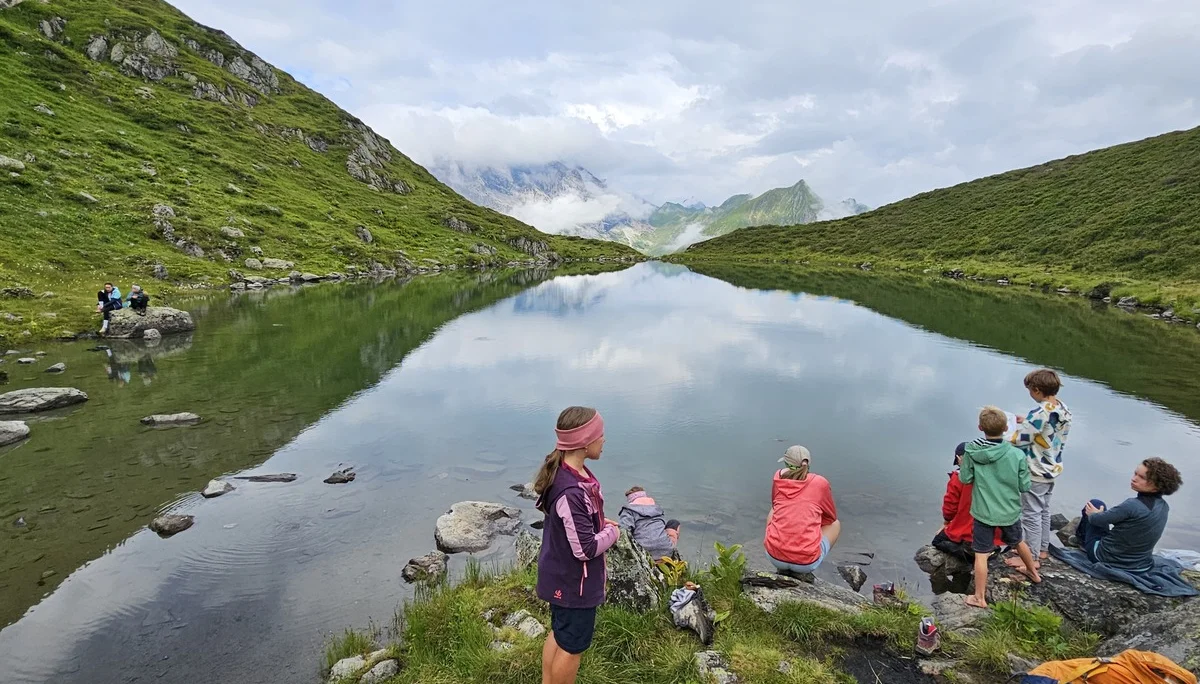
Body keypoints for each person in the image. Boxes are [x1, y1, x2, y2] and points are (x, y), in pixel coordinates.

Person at [534, 406, 619, 684]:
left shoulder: (568, 473)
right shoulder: (570, 491)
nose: (604, 440)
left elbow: (574, 521)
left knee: (560, 634)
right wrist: (611, 532)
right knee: (572, 647)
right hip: (574, 585)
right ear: (584, 442)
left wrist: (596, 520)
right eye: (600, 435)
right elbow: (585, 549)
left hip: (561, 579)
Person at [960, 406, 1041, 608]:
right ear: (1006, 428)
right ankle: (1033, 572)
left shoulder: (972, 451)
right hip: (1010, 511)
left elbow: (965, 478)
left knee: (981, 553)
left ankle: (979, 597)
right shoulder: (1017, 455)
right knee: (1018, 541)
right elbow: (1025, 486)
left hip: (984, 512)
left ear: (980, 427)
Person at [1007, 368, 1072, 570]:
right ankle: (1042, 549)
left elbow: (1021, 440)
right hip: (1052, 468)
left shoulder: (1040, 412)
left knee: (1030, 513)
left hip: (1035, 470)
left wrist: (1002, 433)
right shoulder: (1062, 407)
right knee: (1043, 510)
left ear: (1036, 390)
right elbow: (1044, 429)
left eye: (1029, 390)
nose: (1029, 394)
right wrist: (1024, 422)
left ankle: (1031, 557)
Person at [1076, 458, 1183, 573]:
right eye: (1135, 474)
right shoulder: (1164, 507)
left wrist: (1093, 514)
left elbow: (1097, 520)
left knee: (1096, 503)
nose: (1134, 479)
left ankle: (1081, 542)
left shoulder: (1132, 505)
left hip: (1106, 559)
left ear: (1157, 486)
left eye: (1141, 477)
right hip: (1141, 565)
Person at [764, 445, 841, 576]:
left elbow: (776, 505)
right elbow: (830, 518)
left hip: (774, 557)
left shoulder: (778, 477)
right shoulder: (820, 483)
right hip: (806, 564)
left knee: (774, 510)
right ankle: (805, 569)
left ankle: (782, 562)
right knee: (835, 524)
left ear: (786, 463)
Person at [931, 442, 999, 564]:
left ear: (959, 458)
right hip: (990, 528)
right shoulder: (992, 475)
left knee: (937, 541)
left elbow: (950, 506)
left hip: (967, 528)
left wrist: (946, 522)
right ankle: (990, 550)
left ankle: (969, 556)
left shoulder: (959, 477)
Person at [618, 486, 681, 562]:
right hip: (666, 552)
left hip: (644, 552)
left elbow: (624, 531)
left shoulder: (628, 510)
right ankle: (668, 556)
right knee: (673, 523)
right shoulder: (657, 509)